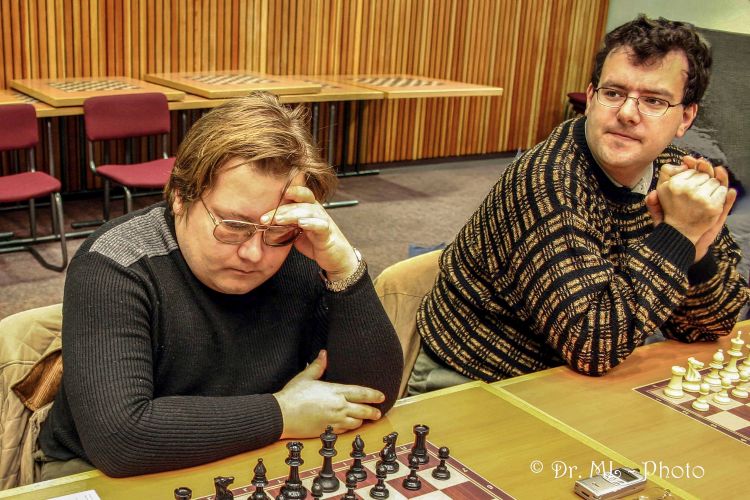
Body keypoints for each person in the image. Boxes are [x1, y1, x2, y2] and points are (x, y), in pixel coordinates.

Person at [38, 92, 403, 478]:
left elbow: (369, 397)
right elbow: (121, 440)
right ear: (181, 197)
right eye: (233, 226)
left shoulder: (301, 248)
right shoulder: (114, 264)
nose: (254, 253)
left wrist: (343, 267)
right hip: (101, 470)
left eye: (276, 230)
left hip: (253, 448)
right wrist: (281, 412)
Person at [411, 15, 749, 393]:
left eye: (653, 101)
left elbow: (711, 325)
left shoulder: (675, 172)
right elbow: (590, 346)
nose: (627, 113)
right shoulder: (547, 181)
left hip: (581, 374)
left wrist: (697, 255)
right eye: (613, 93)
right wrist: (678, 234)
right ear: (590, 99)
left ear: (685, 117)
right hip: (479, 380)